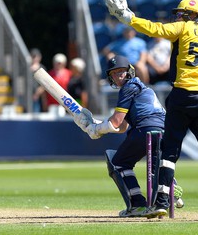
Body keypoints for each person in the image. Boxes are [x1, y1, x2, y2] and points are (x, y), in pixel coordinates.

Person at [105, 0, 198, 220]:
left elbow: (156, 30)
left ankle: (162, 202)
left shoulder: (183, 29)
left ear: (193, 16)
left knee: (169, 151)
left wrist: (129, 18)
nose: (179, 16)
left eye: (183, 13)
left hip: (182, 95)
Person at [73, 55, 184, 217]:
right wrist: (98, 126)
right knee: (156, 169)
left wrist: (95, 130)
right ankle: (170, 188)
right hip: (163, 131)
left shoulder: (128, 87)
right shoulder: (143, 88)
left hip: (145, 129)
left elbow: (116, 122)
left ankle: (137, 204)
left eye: (122, 72)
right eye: (115, 73)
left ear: (129, 72)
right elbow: (122, 127)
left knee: (118, 162)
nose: (119, 76)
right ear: (110, 77)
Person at [30, 48, 47, 113]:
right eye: (33, 56)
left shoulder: (42, 68)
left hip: (39, 97)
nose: (35, 58)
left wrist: (37, 94)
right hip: (28, 96)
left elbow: (45, 84)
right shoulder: (26, 67)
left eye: (37, 56)